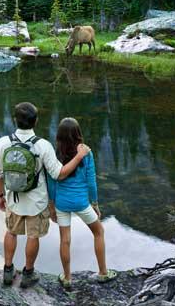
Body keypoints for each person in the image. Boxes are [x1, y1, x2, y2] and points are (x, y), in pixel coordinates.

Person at [0, 102, 90, 288]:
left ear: (15, 120)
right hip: (37, 202)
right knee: (33, 236)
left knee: (11, 232)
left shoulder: (3, 143)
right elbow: (59, 174)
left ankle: (7, 270)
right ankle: (28, 273)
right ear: (35, 121)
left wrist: (0, 196)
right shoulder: (43, 145)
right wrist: (79, 157)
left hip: (13, 200)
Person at [48, 117, 116, 286]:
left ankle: (67, 278)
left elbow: (51, 183)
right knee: (99, 232)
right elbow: (91, 181)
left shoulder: (55, 154)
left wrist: (52, 206)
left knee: (65, 240)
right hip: (81, 203)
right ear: (78, 133)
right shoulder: (86, 153)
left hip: (62, 203)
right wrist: (95, 204)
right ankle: (102, 273)